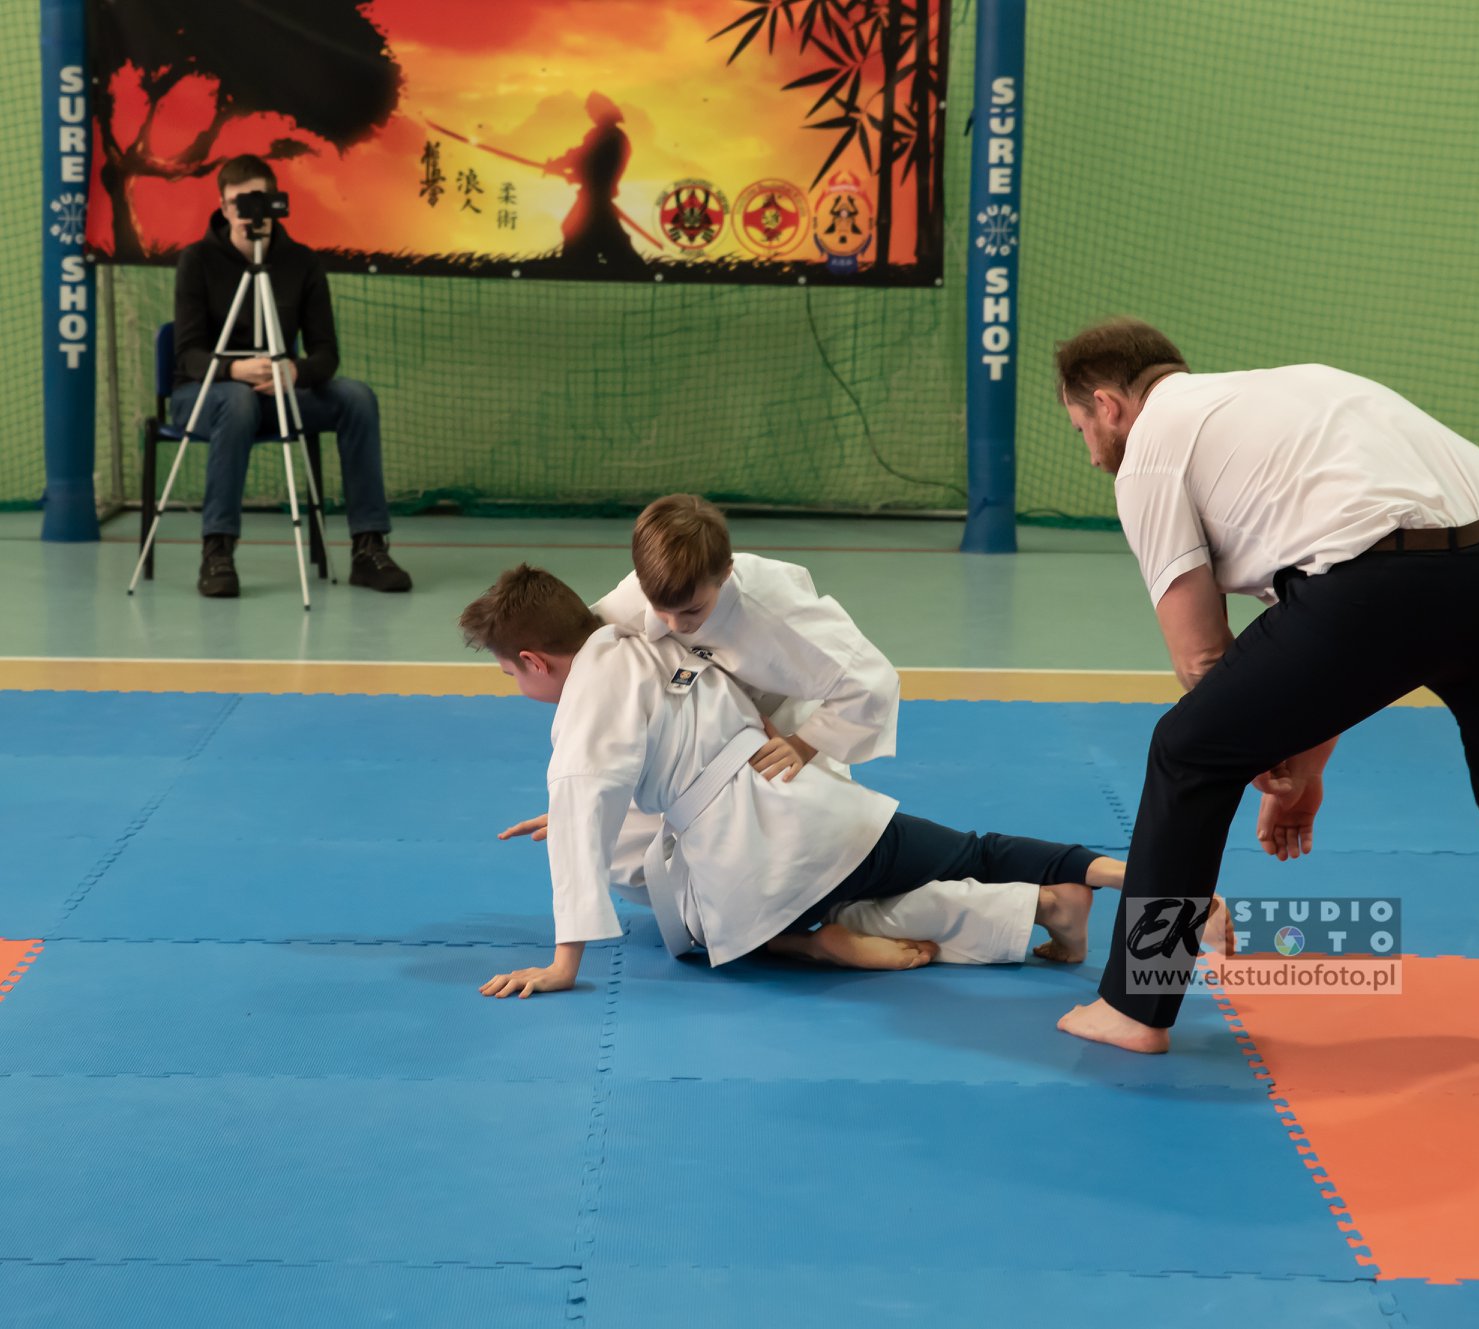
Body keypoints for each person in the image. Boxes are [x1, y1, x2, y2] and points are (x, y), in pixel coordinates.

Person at [1049, 317, 1479, 1091]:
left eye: (1081, 429)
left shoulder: (1153, 452)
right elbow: (1320, 615)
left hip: (1386, 587)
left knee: (1186, 749)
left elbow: (1203, 655)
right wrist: (1303, 764)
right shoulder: (1292, 390)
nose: (1089, 452)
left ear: (1108, 404)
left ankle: (1135, 1006)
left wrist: (1264, 751)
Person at [459, 564, 1129, 999]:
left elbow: (584, 806)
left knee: (709, 931)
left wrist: (563, 965)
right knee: (974, 851)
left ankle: (813, 944)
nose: (514, 684)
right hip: (819, 812)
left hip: (754, 869)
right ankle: (1125, 876)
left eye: (510, 673)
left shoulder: (583, 705)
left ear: (534, 660)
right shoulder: (651, 633)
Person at [500, 493, 900, 889]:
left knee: (809, 864)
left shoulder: (777, 612)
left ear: (725, 573)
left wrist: (804, 744)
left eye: (692, 610)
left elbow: (872, 681)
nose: (675, 624)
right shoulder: (634, 598)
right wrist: (587, 802)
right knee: (612, 851)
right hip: (706, 738)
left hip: (780, 738)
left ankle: (821, 911)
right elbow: (589, 660)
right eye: (660, 608)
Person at [171, 154, 412, 598]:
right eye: (239, 203)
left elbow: (327, 354)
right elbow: (187, 356)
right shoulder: (197, 260)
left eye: (259, 202)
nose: (250, 214)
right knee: (237, 399)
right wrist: (234, 369)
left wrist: (294, 370)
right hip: (205, 397)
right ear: (223, 208)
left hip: (279, 395)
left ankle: (369, 547)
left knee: (356, 397)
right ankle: (217, 550)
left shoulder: (300, 262)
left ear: (276, 204)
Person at [543, 92, 645, 274]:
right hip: (597, 196)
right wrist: (575, 174)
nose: (590, 115)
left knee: (583, 232)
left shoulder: (604, 136)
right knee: (597, 235)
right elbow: (590, 163)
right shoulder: (617, 137)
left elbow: (583, 158)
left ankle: (580, 269)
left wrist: (560, 166)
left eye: (591, 110)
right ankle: (584, 266)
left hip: (595, 197)